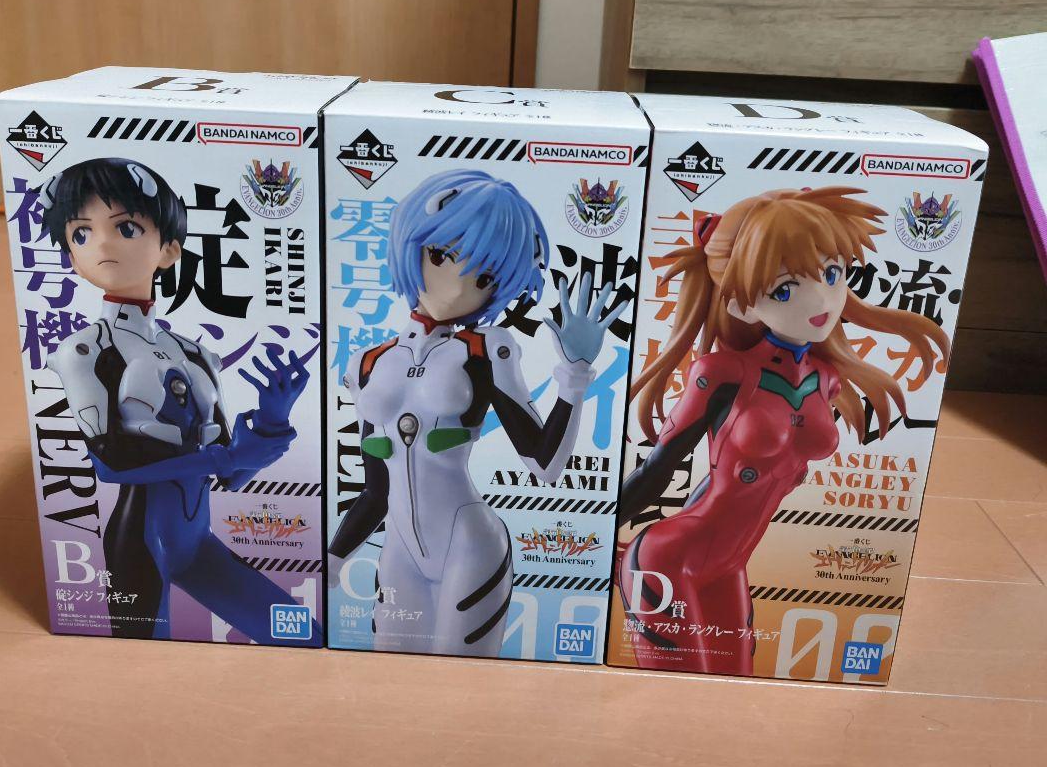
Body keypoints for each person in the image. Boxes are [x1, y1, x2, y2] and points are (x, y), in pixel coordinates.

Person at [617, 187, 948, 674]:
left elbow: (742, 477)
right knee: (675, 691)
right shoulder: (720, 374)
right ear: (742, 305)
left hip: (729, 564)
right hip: (665, 560)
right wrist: (594, 529)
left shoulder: (825, 378)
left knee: (737, 683)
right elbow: (658, 469)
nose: (821, 300)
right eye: (785, 289)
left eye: (832, 274)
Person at [328, 168, 627, 656]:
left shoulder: (486, 349)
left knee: (461, 683)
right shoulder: (369, 362)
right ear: (411, 243)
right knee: (390, 679)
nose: (454, 287)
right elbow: (376, 490)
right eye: (440, 256)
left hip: (470, 544)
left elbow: (545, 464)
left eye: (483, 277)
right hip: (399, 548)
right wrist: (335, 556)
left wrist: (574, 374)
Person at [40, 157, 322, 645]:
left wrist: (272, 424)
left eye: (125, 227)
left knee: (304, 635)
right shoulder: (86, 350)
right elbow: (110, 466)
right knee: (142, 670)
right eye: (81, 233)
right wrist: (228, 457)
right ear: (71, 257)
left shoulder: (194, 353)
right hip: (139, 544)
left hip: (198, 543)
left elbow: (232, 475)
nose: (101, 244)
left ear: (169, 250)